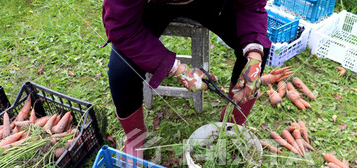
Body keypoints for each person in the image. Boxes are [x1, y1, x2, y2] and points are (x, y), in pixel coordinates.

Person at [102, 0, 271, 158]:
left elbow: (251, 5)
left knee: (254, 50)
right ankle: (135, 136)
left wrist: (254, 52)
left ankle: (233, 124)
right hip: (153, 5)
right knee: (121, 70)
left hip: (211, 3)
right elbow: (122, 28)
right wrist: (176, 69)